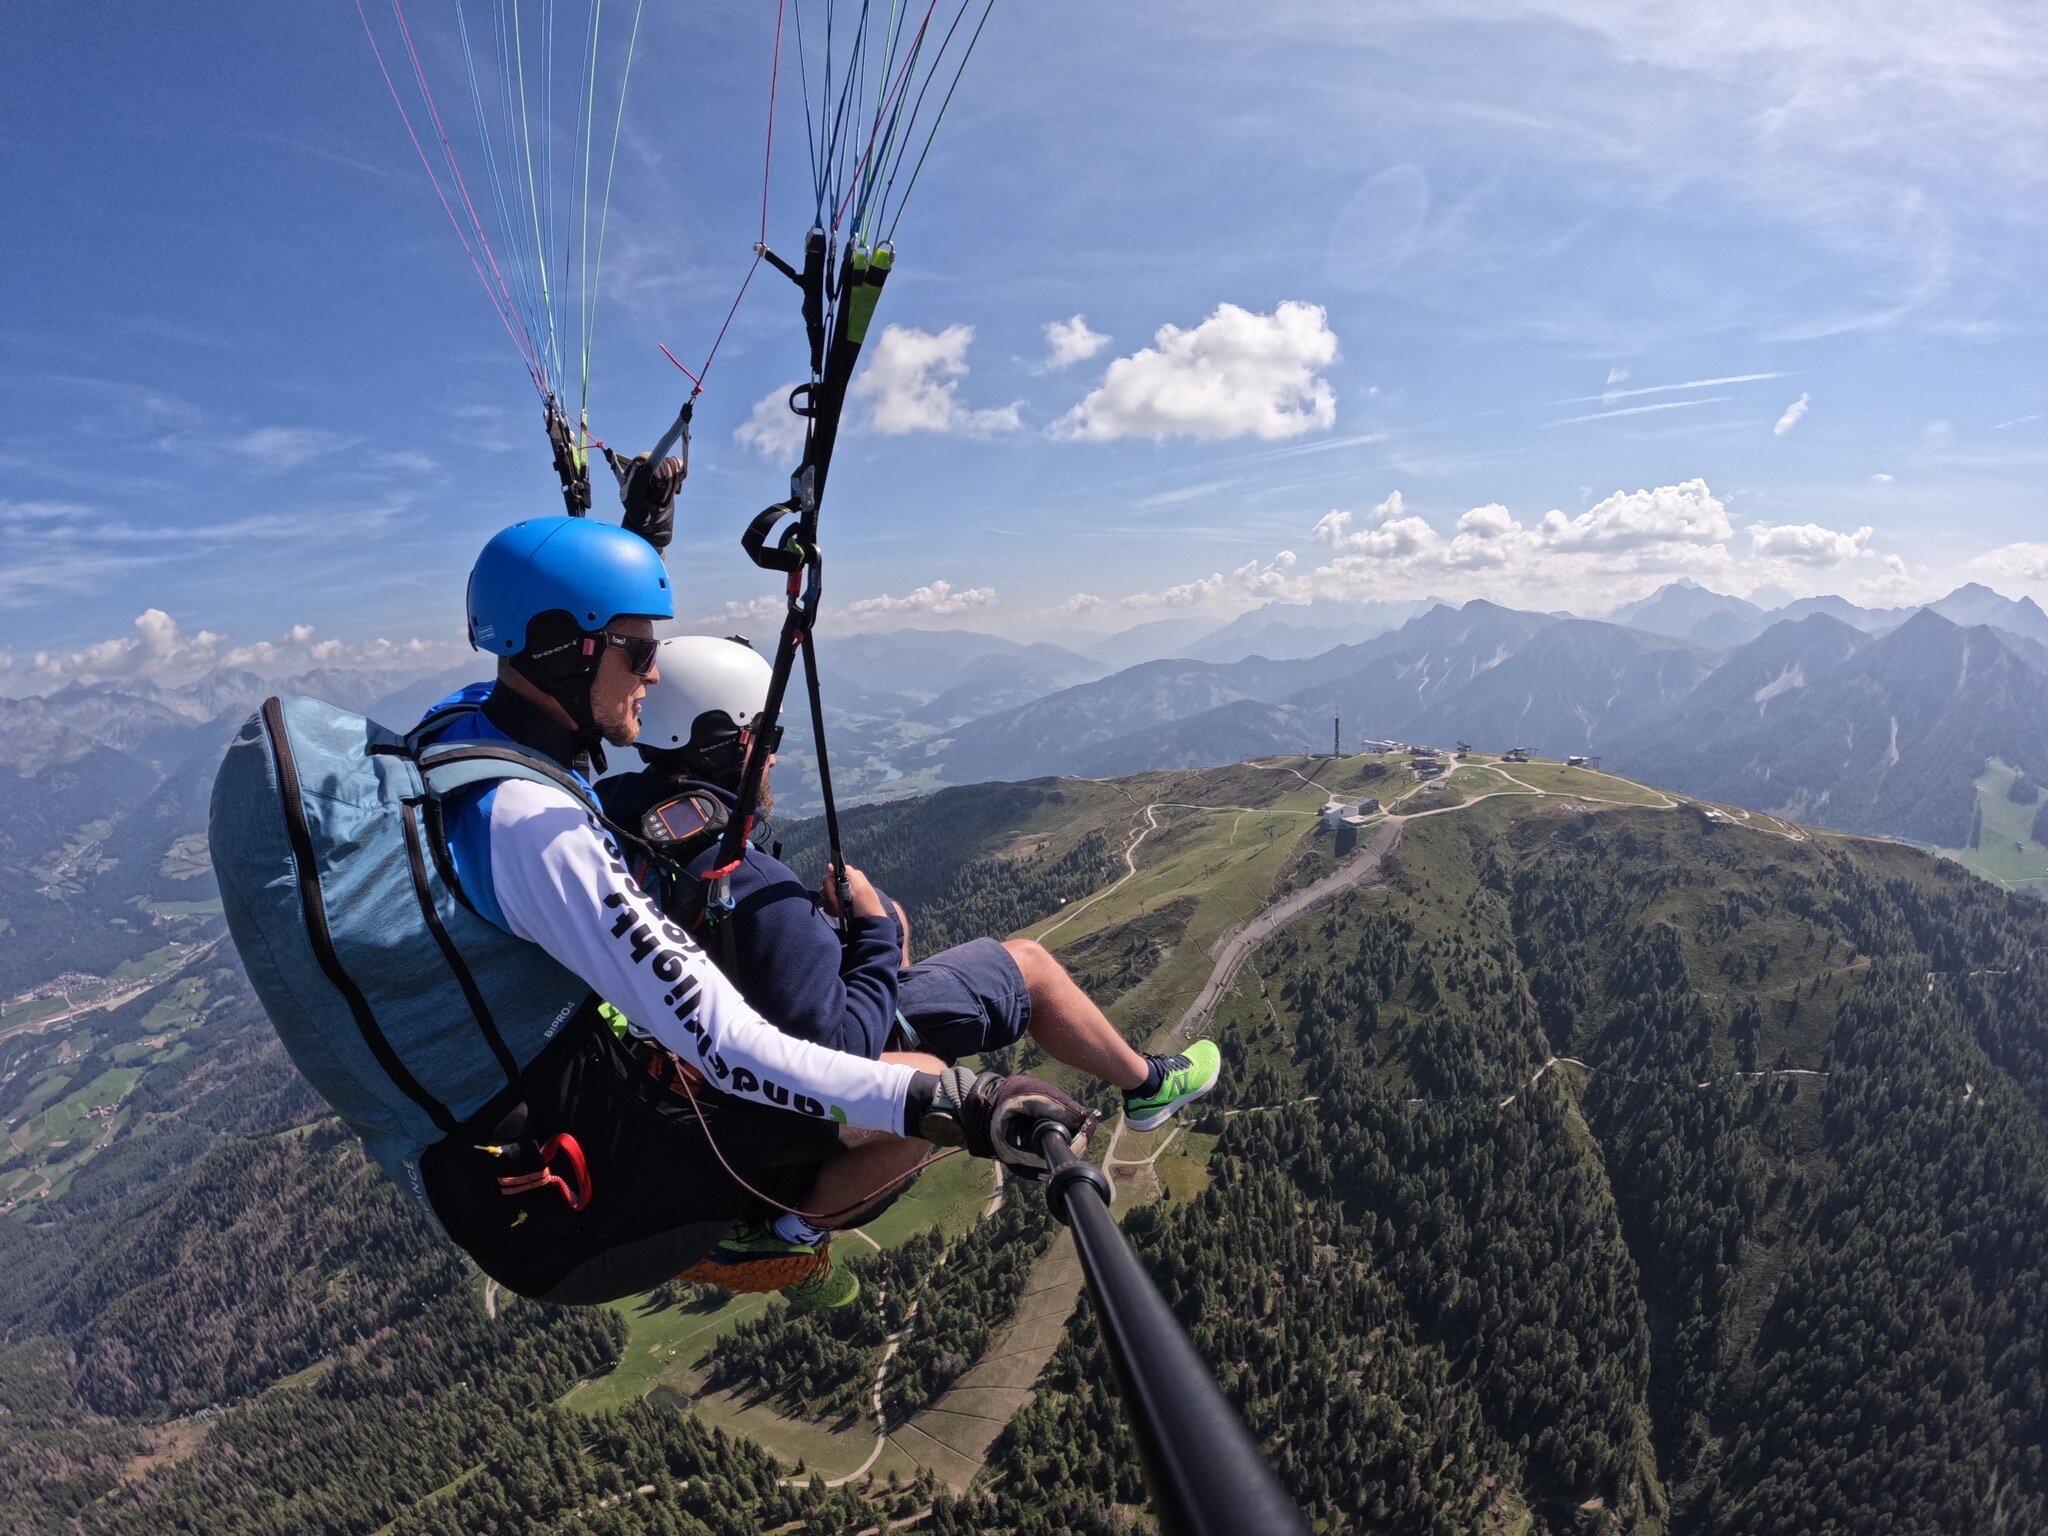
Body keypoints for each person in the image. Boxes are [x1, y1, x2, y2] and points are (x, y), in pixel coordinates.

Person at [388, 516, 1094, 1308]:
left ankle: (781, 1221)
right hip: (620, 1162)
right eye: (639, 650)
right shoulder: (539, 827)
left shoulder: (486, 738)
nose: (651, 676)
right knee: (921, 1071)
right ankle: (779, 1240)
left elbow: (550, 656)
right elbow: (734, 1046)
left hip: (598, 1102)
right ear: (566, 649)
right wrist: (954, 1101)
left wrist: (632, 528)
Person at [595, 634, 1223, 1276]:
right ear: (739, 742)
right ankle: (1147, 1087)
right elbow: (839, 1050)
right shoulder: (743, 882)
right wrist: (867, 929)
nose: (776, 758)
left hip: (692, 1081)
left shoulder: (623, 820)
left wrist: (864, 929)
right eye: (770, 738)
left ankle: (785, 1224)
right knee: (1013, 980)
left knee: (894, 921)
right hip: (768, 1090)